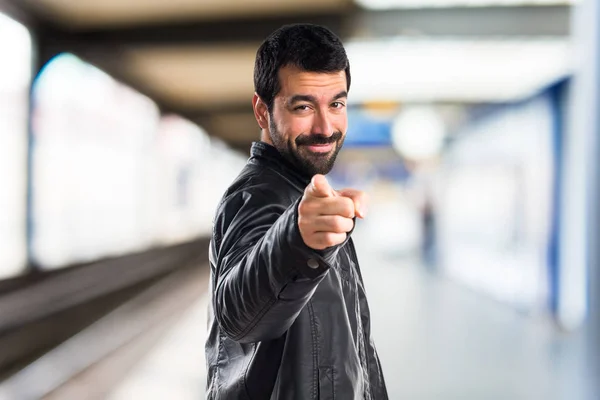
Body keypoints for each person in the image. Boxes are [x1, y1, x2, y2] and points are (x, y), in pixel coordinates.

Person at [206, 23, 388, 399]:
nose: (325, 127)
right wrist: (297, 240)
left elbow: (355, 353)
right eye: (303, 106)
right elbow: (237, 313)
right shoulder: (256, 196)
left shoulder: (304, 193)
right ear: (262, 110)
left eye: (336, 104)